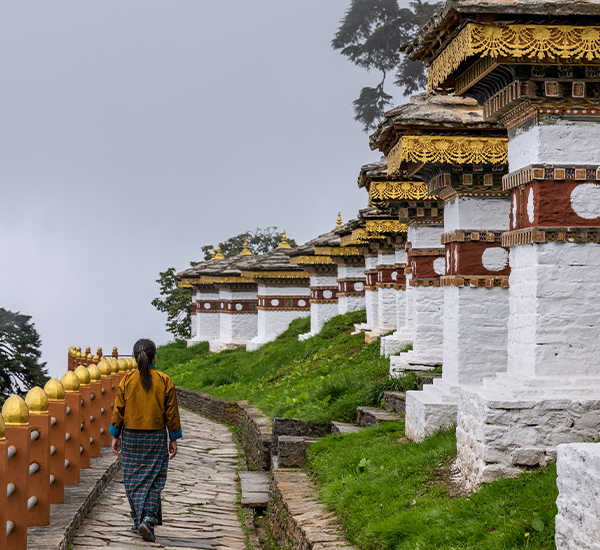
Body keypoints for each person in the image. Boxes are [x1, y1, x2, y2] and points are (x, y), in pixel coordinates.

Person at [110, 338, 182, 542]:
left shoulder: (127, 380)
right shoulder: (164, 380)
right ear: (154, 357)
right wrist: (173, 437)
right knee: (154, 479)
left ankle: (138, 520)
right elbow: (171, 413)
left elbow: (118, 410)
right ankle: (147, 519)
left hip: (131, 437)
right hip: (156, 436)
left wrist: (115, 435)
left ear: (134, 358)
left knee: (133, 479)